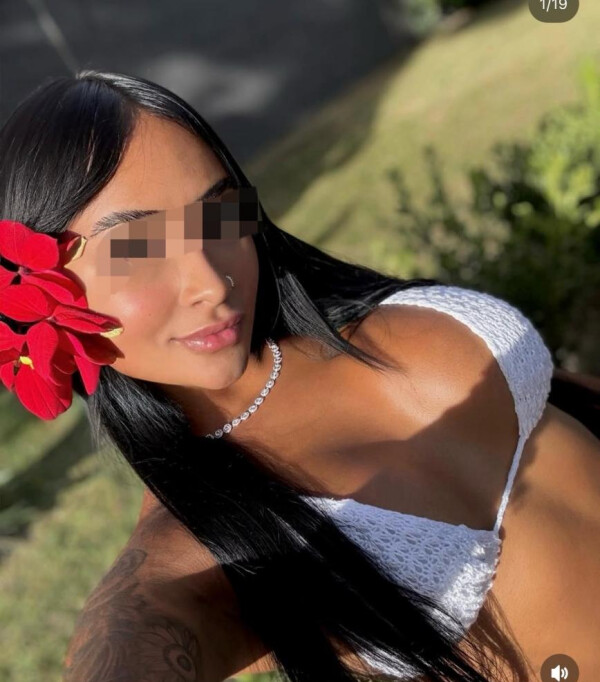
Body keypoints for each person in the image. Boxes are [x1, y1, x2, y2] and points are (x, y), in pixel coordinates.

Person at [1, 70, 598, 682]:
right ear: (37, 292)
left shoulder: (353, 317)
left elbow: (550, 409)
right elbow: (139, 632)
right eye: (139, 246)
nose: (211, 282)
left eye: (218, 214)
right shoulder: (206, 548)